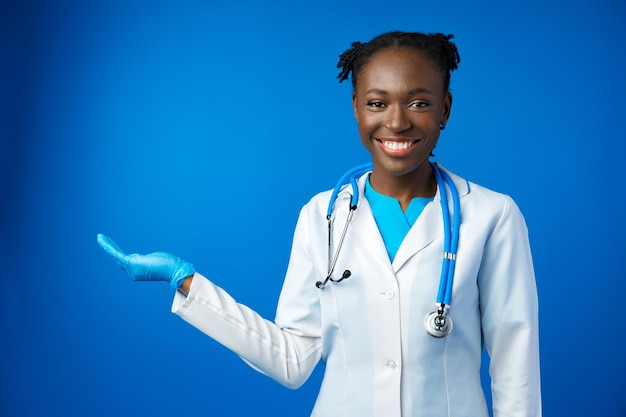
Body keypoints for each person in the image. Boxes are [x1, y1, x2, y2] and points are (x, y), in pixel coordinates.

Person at [97, 31, 541, 417]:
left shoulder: (492, 216)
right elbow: (293, 358)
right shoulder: (321, 216)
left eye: (419, 102)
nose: (397, 121)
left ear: (445, 109)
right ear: (356, 108)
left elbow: (515, 366)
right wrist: (187, 280)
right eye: (377, 102)